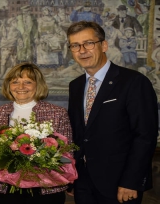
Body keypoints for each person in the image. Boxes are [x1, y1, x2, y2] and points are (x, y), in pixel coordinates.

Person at [66, 21, 158, 204]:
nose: (82, 50)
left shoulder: (134, 82)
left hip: (120, 184)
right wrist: (73, 178)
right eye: (75, 45)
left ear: (104, 45)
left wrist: (132, 182)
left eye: (89, 43)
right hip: (83, 182)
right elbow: (78, 134)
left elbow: (145, 136)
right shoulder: (75, 86)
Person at [0, 62, 72, 204]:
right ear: (8, 85)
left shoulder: (57, 113)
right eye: (15, 82)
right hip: (6, 189)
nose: (20, 87)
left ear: (38, 85)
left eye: (27, 82)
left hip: (46, 189)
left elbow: (67, 152)